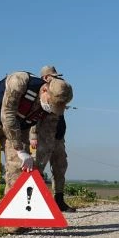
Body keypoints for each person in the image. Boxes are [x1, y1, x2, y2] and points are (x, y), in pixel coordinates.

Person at [0, 70, 73, 224]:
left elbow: (47, 141)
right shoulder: (19, 81)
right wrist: (20, 150)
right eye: (52, 103)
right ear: (45, 89)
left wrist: (35, 171)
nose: (52, 108)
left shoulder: (52, 109)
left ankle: (11, 217)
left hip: (18, 129)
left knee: (18, 169)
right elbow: (7, 114)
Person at [31, 65, 76, 212]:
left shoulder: (58, 92)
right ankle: (34, 203)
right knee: (38, 168)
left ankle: (59, 201)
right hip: (44, 138)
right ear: (45, 78)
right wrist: (33, 136)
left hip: (58, 137)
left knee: (60, 167)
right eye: (53, 76)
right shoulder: (42, 93)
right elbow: (33, 116)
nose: (56, 78)